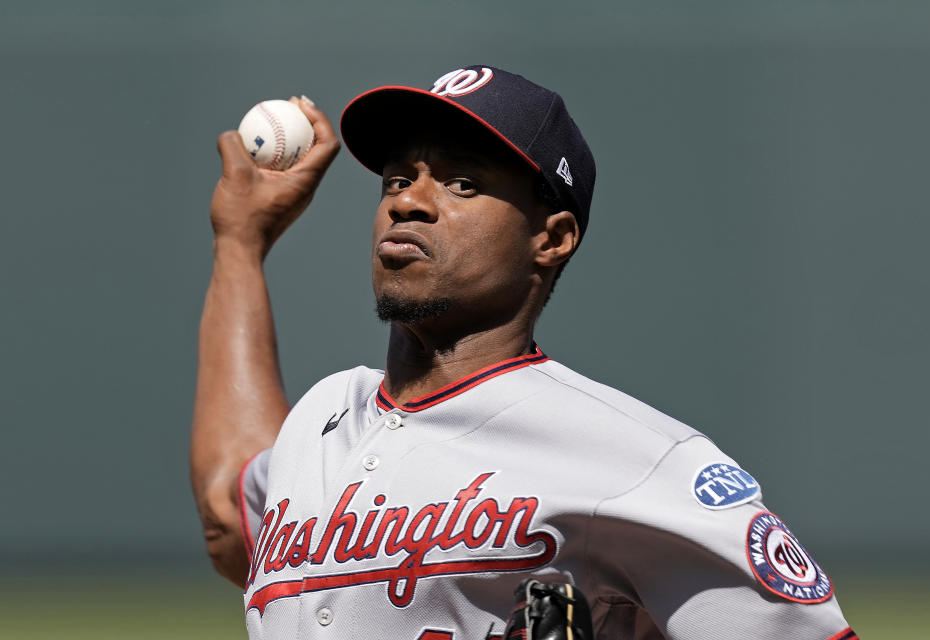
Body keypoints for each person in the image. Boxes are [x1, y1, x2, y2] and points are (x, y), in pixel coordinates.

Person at [191, 65, 857, 640]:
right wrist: (241, 242)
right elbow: (229, 518)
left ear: (552, 237)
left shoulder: (638, 458)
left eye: (462, 184)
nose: (409, 203)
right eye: (397, 179)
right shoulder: (326, 412)